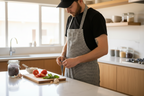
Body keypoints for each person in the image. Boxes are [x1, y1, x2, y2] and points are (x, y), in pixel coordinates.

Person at [56, 0, 108, 86]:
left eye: (70, 7)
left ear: (80, 0)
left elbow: (103, 49)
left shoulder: (95, 17)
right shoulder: (70, 19)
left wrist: (76, 60)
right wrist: (63, 54)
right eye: (65, 8)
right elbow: (68, 41)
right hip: (69, 75)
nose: (68, 11)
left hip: (87, 76)